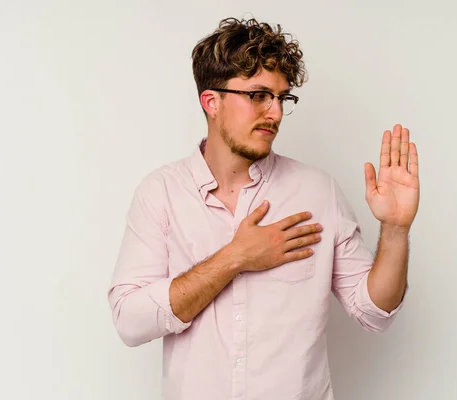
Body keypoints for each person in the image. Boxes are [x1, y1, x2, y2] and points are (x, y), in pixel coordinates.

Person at [107, 16, 420, 400]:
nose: (274, 113)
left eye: (281, 97)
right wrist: (235, 257)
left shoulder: (317, 191)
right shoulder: (161, 193)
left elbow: (373, 313)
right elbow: (129, 320)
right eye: (258, 95)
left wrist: (396, 230)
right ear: (212, 102)